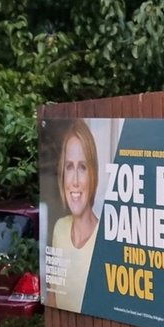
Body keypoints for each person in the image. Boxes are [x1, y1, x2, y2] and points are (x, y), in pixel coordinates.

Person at [49, 119, 100, 313]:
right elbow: (53, 296)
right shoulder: (59, 228)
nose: (75, 181)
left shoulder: (107, 238)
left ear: (93, 174)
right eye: (69, 167)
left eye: (83, 167)